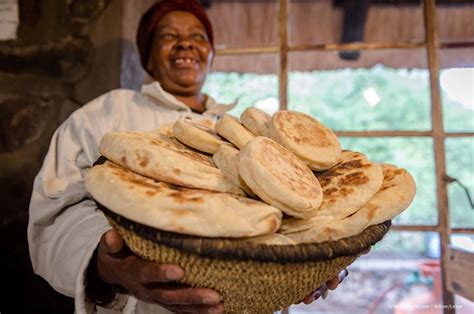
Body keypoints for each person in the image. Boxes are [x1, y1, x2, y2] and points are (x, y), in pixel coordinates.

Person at [27, 1, 347, 313]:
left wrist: (313, 263)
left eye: (198, 37)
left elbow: (294, 210)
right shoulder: (107, 114)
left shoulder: (244, 134)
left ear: (210, 54)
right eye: (168, 36)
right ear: (148, 57)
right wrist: (106, 266)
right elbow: (56, 212)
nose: (185, 45)